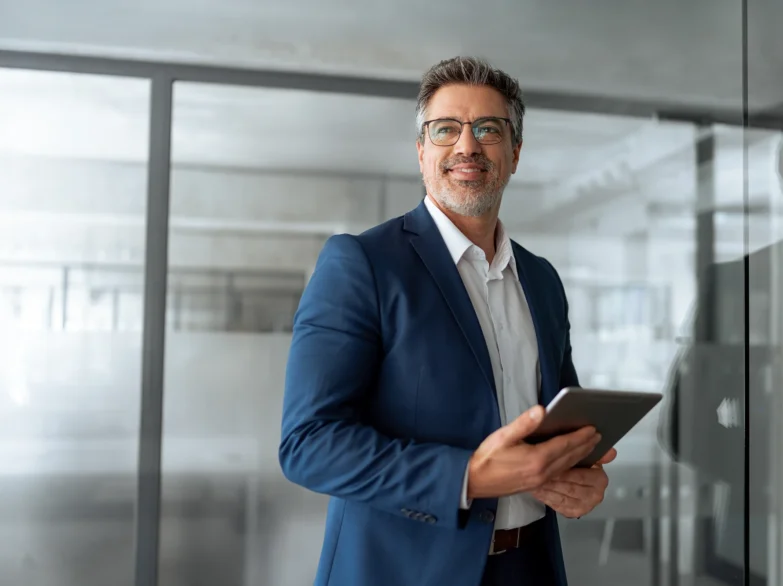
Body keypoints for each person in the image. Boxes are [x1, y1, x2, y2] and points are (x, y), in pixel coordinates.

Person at [279, 56, 616, 586]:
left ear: (515, 153)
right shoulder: (362, 264)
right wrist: (467, 476)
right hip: (404, 570)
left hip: (530, 567)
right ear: (421, 153)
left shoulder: (542, 280)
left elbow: (555, 420)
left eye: (488, 129)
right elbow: (308, 443)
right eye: (445, 130)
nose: (467, 146)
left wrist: (579, 476)